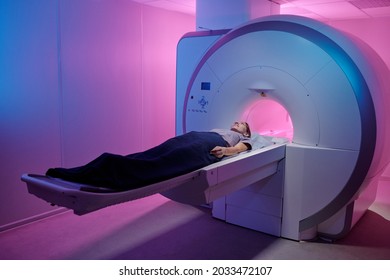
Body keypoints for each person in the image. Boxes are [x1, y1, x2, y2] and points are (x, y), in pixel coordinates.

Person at [46, 121, 252, 192]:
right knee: (149, 155)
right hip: (195, 136)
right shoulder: (222, 127)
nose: (237, 122)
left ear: (246, 131)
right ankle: (83, 171)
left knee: (161, 163)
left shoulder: (243, 137)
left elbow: (245, 147)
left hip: (207, 145)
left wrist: (226, 151)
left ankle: (109, 168)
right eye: (236, 120)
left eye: (241, 122)